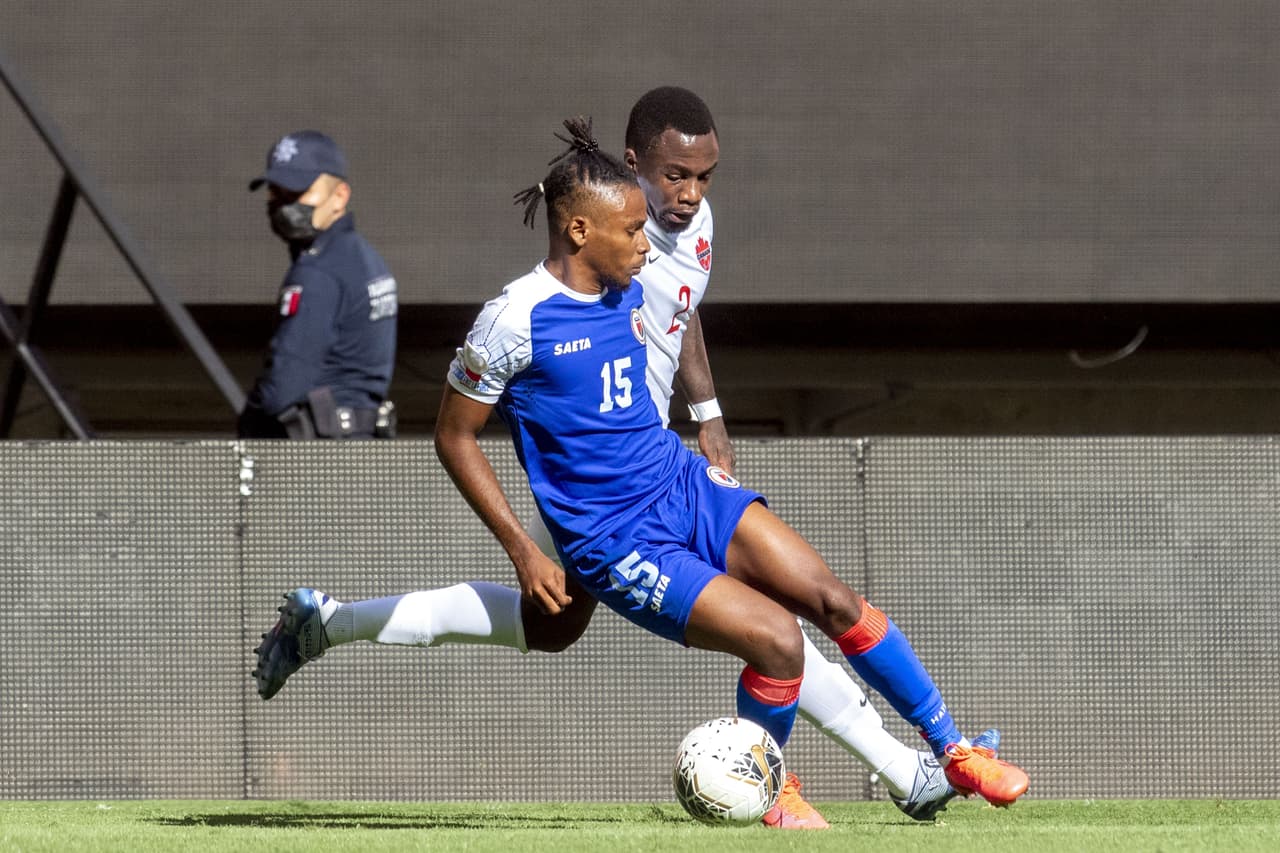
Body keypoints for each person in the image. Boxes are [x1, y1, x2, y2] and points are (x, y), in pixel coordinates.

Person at [253, 98, 1011, 827]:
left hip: (675, 477)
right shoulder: (515, 319)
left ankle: (946, 752)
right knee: (771, 635)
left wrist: (708, 417)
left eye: (693, 187)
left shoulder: (636, 262)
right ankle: (779, 788)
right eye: (642, 220)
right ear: (584, 228)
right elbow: (453, 435)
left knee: (823, 598)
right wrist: (522, 547)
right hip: (610, 527)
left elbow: (681, 306)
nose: (653, 244)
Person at [237, 130, 398, 440]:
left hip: (320, 457)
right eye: (276, 193)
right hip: (360, 444)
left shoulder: (318, 271)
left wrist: (248, 428)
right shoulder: (366, 259)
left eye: (298, 193)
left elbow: (283, 387)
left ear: (339, 196)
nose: (283, 206)